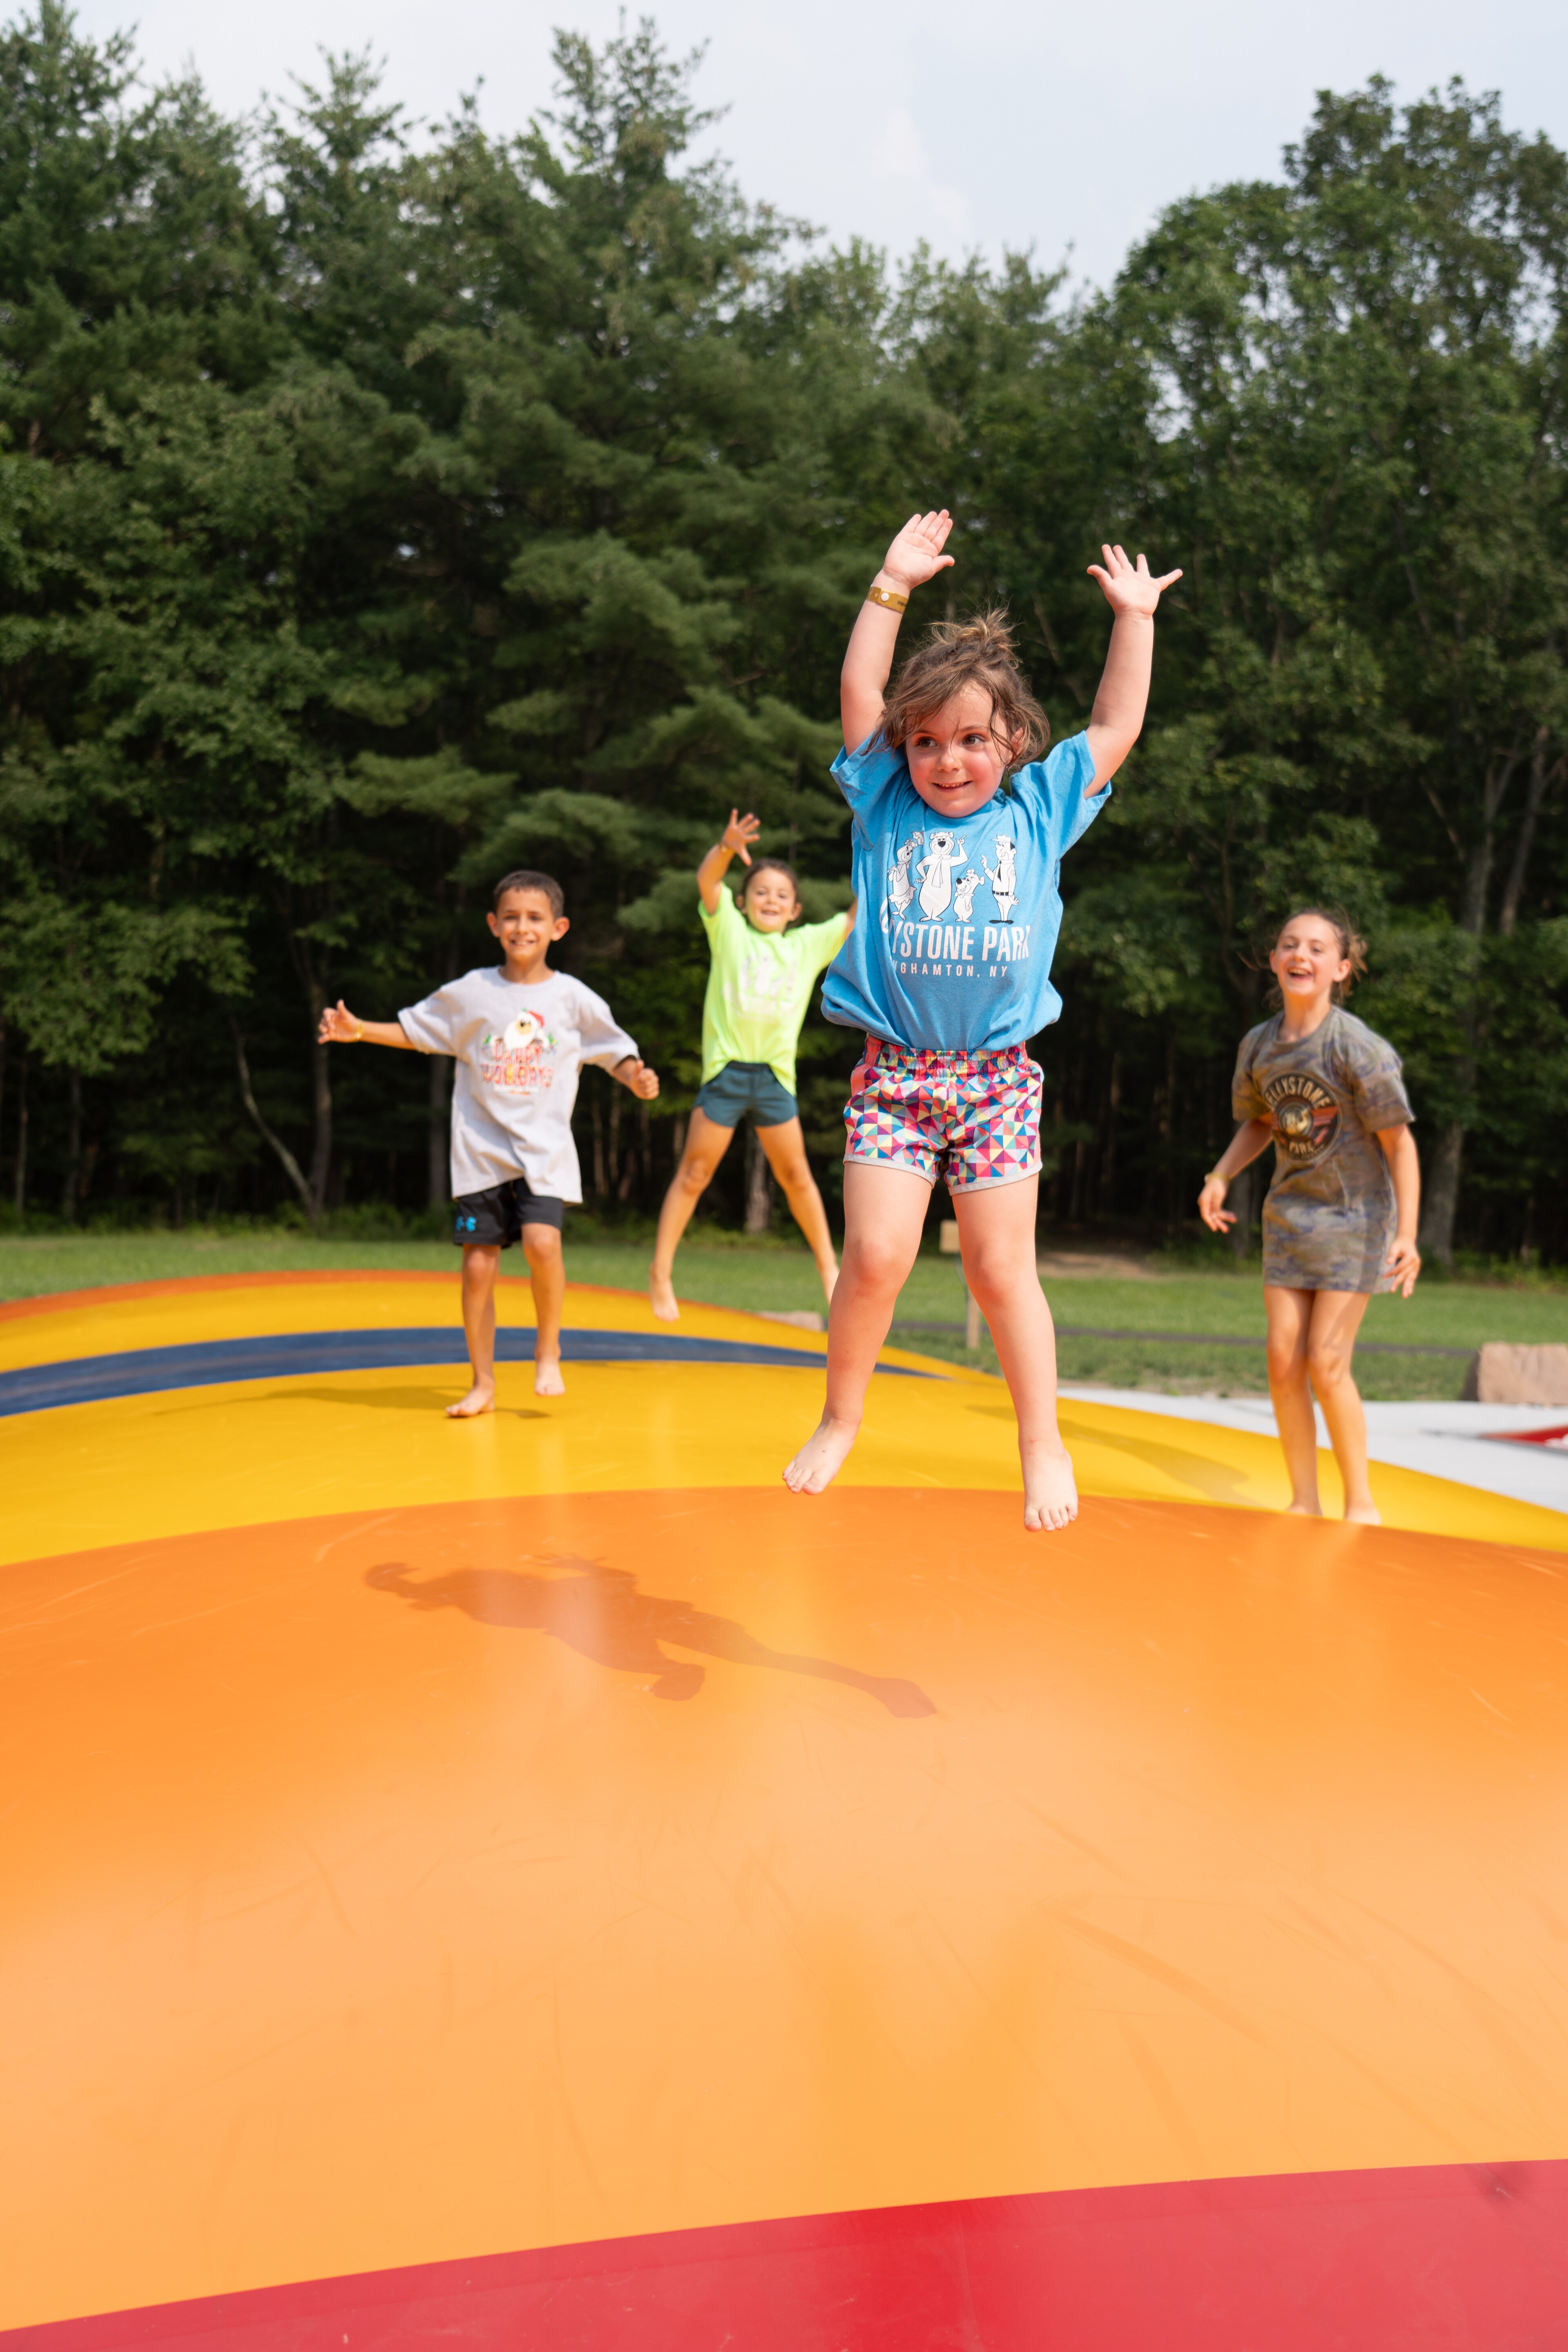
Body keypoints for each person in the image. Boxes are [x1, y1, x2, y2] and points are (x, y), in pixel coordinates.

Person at [782, 508, 1183, 1530]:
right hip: (896, 1074)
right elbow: (858, 694)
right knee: (874, 1256)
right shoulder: (886, 803)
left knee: (1003, 1271)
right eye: (925, 742)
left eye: (969, 739)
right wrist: (889, 583)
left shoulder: (1039, 809)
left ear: (1011, 741)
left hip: (997, 1076)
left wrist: (1132, 618)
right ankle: (840, 1414)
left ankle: (1040, 1440)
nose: (945, 759)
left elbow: (1115, 726)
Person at [318, 868, 659, 1417]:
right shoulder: (471, 992)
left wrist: (634, 1076)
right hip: (480, 1153)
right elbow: (419, 1031)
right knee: (479, 1267)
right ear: (494, 924)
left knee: (543, 1245)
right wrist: (361, 1029)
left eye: (535, 918)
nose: (523, 927)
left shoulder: (572, 998)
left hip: (543, 1153)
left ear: (559, 927)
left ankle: (548, 1350)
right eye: (512, 917)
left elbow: (611, 1049)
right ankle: (483, 1383)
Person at [1198, 907, 1420, 1524]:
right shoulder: (1260, 1045)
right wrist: (1220, 1176)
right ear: (1274, 961)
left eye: (1318, 948)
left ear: (1341, 969)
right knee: (1281, 1357)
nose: (1302, 955)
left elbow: (1400, 1144)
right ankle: (1304, 1499)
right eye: (1290, 945)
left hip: (1358, 1219)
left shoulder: (1357, 1048)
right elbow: (1262, 1121)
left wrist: (1408, 1235)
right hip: (1292, 1217)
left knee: (1326, 1361)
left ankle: (1361, 1506)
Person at [649, 812, 854, 1321]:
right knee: (695, 1172)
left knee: (797, 1178)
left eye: (781, 896)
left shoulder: (807, 946)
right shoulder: (729, 931)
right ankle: (660, 1272)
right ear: (743, 903)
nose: (770, 900)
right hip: (727, 1071)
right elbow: (706, 880)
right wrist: (725, 846)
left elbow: (858, 916)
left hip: (774, 1078)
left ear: (796, 910)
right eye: (760, 892)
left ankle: (830, 1269)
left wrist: (886, 845)